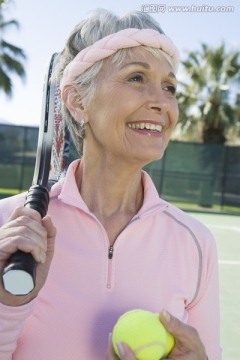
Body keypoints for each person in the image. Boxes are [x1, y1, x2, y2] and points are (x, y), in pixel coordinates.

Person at [0, 8, 221, 360]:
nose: (161, 102)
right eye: (136, 78)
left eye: (170, 87)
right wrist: (9, 305)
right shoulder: (8, 225)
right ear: (76, 100)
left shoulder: (195, 243)